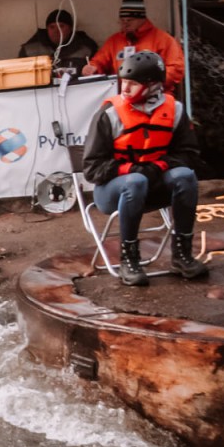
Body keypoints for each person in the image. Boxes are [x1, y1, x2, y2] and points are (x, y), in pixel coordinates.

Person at [82, 50, 209, 286]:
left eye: (133, 84)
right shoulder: (109, 114)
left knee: (185, 176)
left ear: (152, 85)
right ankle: (129, 260)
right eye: (124, 82)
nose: (125, 88)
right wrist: (132, 169)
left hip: (154, 184)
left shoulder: (174, 110)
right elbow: (92, 169)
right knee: (136, 181)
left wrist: (158, 165)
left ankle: (182, 256)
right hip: (114, 192)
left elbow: (190, 155)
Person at [82, 0, 186, 94]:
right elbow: (99, 61)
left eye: (129, 20)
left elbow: (176, 69)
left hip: (156, 97)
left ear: (142, 19)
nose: (125, 24)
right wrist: (93, 67)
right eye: (122, 20)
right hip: (122, 98)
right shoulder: (114, 41)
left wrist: (150, 81)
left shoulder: (164, 39)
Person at [18, 9, 98, 77]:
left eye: (61, 26)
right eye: (52, 27)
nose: (56, 31)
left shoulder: (86, 47)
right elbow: (20, 75)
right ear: (47, 29)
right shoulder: (30, 49)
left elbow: (97, 72)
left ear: (70, 29)